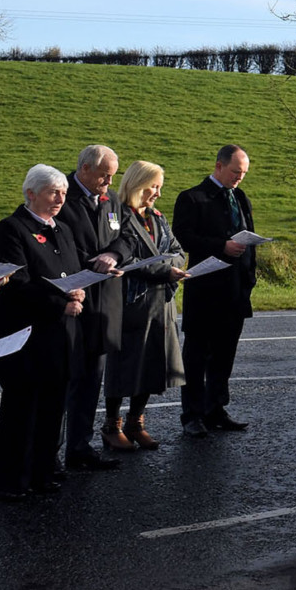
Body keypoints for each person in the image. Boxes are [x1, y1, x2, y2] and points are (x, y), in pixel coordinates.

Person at [0, 165, 89, 502]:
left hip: (59, 337)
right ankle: (11, 481)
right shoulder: (11, 229)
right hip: (25, 337)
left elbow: (72, 270)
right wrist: (59, 303)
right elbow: (17, 281)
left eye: (62, 192)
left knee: (52, 408)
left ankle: (43, 472)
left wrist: (79, 291)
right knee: (21, 411)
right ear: (31, 193)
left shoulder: (62, 228)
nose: (60, 198)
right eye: (52, 192)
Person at [104, 162, 190, 451]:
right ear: (138, 183)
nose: (158, 193)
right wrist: (165, 270)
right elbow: (125, 261)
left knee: (154, 363)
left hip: (161, 302)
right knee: (124, 365)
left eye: (160, 187)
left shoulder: (157, 217)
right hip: (131, 302)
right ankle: (111, 424)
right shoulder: (119, 217)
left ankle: (135, 422)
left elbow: (178, 251)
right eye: (154, 186)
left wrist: (170, 266)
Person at [172, 145, 257, 436]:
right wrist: (221, 245)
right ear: (219, 166)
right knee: (196, 356)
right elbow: (184, 237)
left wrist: (249, 280)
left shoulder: (241, 197)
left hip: (235, 291)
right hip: (206, 291)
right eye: (235, 172)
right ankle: (192, 414)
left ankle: (216, 409)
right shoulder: (193, 198)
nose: (239, 178)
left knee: (224, 355)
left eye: (243, 173)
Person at [57, 144, 125, 471]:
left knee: (91, 382)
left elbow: (124, 237)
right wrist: (89, 263)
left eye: (112, 176)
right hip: (74, 302)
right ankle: (49, 455)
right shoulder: (61, 197)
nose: (108, 183)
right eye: (103, 176)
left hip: (105, 304)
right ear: (84, 169)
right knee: (65, 381)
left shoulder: (111, 200)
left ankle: (80, 448)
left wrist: (114, 255)